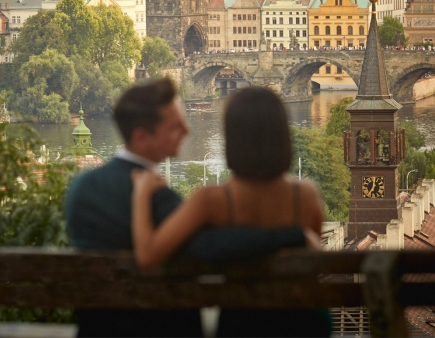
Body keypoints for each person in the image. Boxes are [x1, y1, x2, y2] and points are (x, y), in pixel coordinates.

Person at [64, 78, 312, 337]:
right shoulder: (160, 200)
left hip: (97, 329)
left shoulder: (80, 187)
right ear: (141, 137)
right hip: (163, 329)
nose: (187, 131)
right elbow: (213, 246)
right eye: (175, 126)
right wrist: (294, 235)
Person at [131, 86, 331, 337]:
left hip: (241, 325)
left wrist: (140, 194)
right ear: (282, 135)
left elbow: (148, 256)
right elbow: (310, 260)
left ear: (232, 137)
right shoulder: (306, 196)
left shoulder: (212, 200)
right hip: (303, 322)